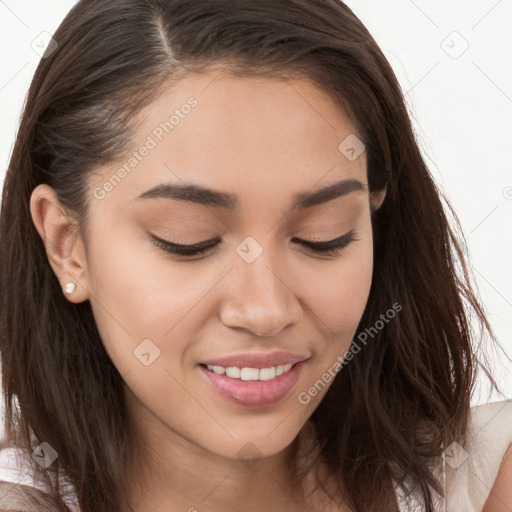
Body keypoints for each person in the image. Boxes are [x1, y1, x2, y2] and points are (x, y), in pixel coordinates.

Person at [0, 1, 510, 511]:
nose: (265, 310)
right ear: (67, 245)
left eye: (323, 236)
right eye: (189, 241)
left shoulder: (486, 485)